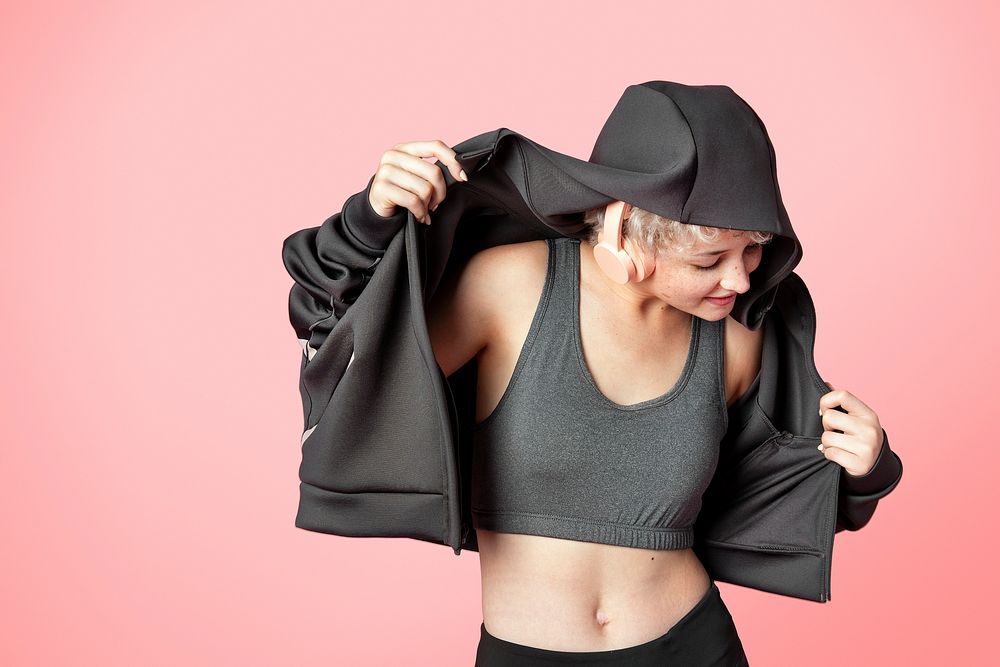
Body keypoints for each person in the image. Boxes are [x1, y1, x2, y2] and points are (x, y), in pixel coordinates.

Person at [284, 82, 902, 666]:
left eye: (753, 250)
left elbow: (783, 493)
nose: (740, 280)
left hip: (693, 645)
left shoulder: (738, 336)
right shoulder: (509, 288)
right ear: (623, 226)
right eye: (711, 258)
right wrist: (367, 224)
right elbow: (354, 370)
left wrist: (869, 466)